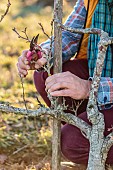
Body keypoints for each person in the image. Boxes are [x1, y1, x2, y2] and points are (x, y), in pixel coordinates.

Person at [17, 0, 113, 166]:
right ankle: (96, 130)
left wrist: (89, 88)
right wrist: (45, 54)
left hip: (104, 87)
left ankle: (99, 149)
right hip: (104, 76)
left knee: (73, 143)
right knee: (47, 74)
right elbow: (70, 34)